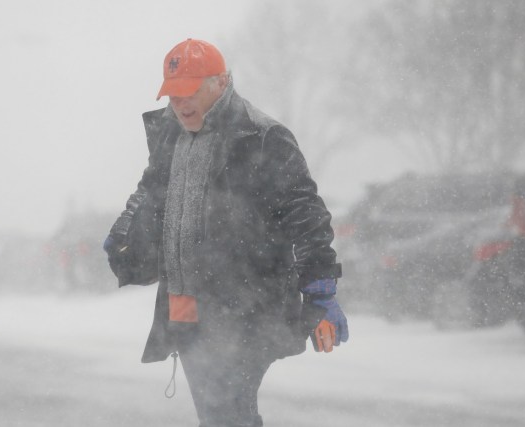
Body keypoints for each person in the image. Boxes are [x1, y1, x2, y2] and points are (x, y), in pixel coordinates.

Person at [104, 38, 349, 427]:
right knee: (220, 414)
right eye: (173, 94)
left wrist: (321, 291)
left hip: (245, 308)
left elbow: (307, 216)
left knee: (226, 411)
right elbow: (150, 190)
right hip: (185, 310)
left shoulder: (262, 137)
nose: (180, 104)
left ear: (220, 82)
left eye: (189, 92)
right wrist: (124, 233)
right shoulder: (172, 135)